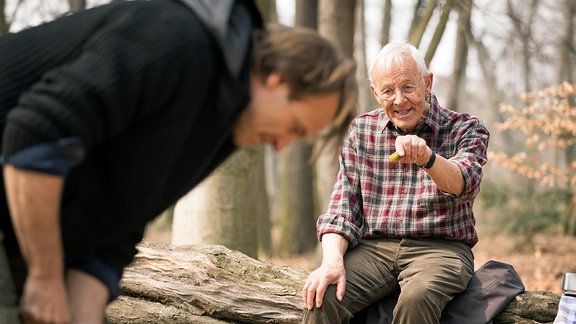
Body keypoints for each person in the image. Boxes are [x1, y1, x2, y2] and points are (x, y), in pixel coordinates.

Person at [0, 0, 358, 323]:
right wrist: (45, 280)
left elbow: (122, 219)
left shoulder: (221, 125)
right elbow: (34, 135)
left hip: (31, 222)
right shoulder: (180, 42)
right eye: (294, 127)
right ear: (276, 79)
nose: (281, 146)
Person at [301, 42, 490, 323]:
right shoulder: (361, 131)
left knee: (416, 299)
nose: (399, 100)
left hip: (441, 248)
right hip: (374, 249)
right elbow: (342, 209)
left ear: (427, 83)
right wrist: (331, 261)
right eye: (388, 91)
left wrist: (429, 159)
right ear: (376, 93)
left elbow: (465, 183)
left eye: (408, 87)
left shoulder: (465, 127)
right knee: (324, 295)